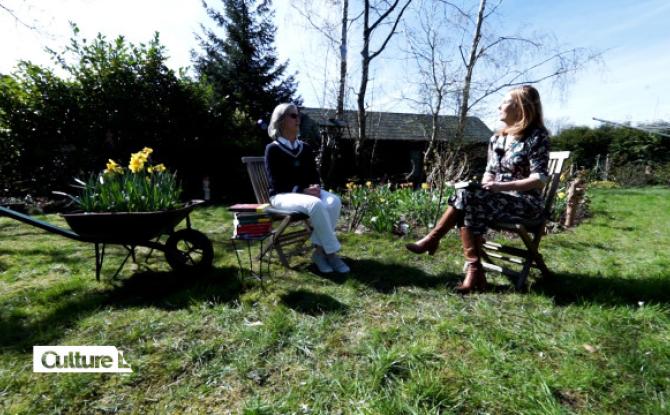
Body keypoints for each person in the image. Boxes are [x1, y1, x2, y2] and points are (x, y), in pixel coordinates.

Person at [406, 85, 550, 293]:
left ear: (520, 107)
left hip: (525, 203)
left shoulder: (536, 137)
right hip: (495, 200)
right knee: (468, 194)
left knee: (467, 198)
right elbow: (489, 172)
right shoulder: (497, 138)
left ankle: (437, 242)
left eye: (505, 102)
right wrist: (487, 185)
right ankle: (473, 270)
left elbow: (539, 179)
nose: (499, 106)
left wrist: (500, 186)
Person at [264, 103, 350, 274]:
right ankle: (332, 253)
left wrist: (315, 187)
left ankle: (319, 253)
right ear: (281, 121)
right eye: (293, 116)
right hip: (281, 196)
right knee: (315, 205)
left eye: (298, 116)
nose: (298, 119)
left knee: (334, 201)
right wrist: (302, 191)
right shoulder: (272, 149)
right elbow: (277, 183)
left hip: (304, 195)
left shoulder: (305, 148)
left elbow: (313, 175)